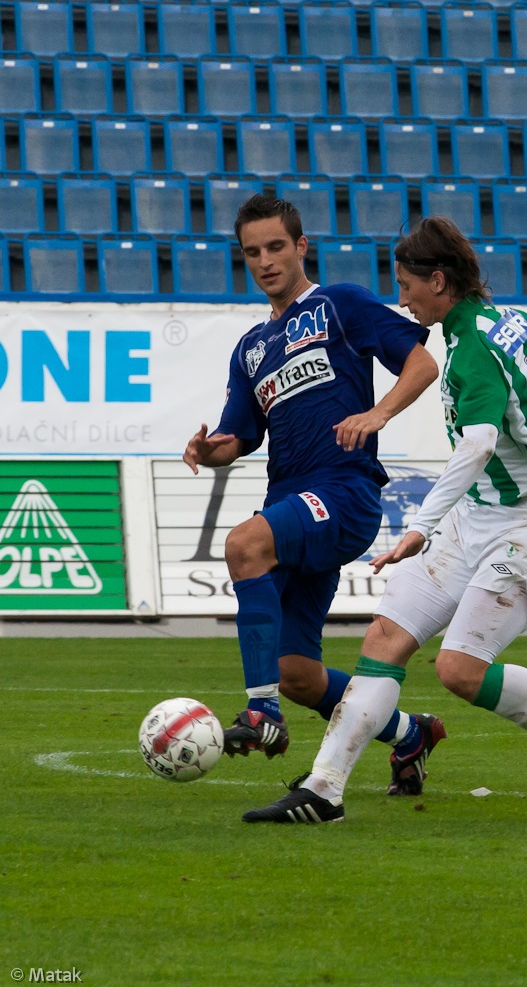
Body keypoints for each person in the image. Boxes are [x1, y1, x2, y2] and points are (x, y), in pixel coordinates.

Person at [243, 215, 527, 826]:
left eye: (406, 285)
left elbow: (480, 441)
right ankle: (323, 790)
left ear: (438, 280)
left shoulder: (471, 348)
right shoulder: (510, 323)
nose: (401, 299)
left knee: (459, 671)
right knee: (384, 640)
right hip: (478, 514)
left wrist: (420, 528)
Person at [183, 194, 446, 796]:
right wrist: (208, 449)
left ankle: (260, 715)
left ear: (302, 247)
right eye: (253, 252)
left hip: (345, 492)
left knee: (244, 545)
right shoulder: (251, 348)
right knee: (296, 673)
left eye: (277, 247)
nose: (266, 261)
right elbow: (239, 437)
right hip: (295, 503)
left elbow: (421, 364)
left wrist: (378, 413)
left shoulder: (339, 303)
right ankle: (409, 732)